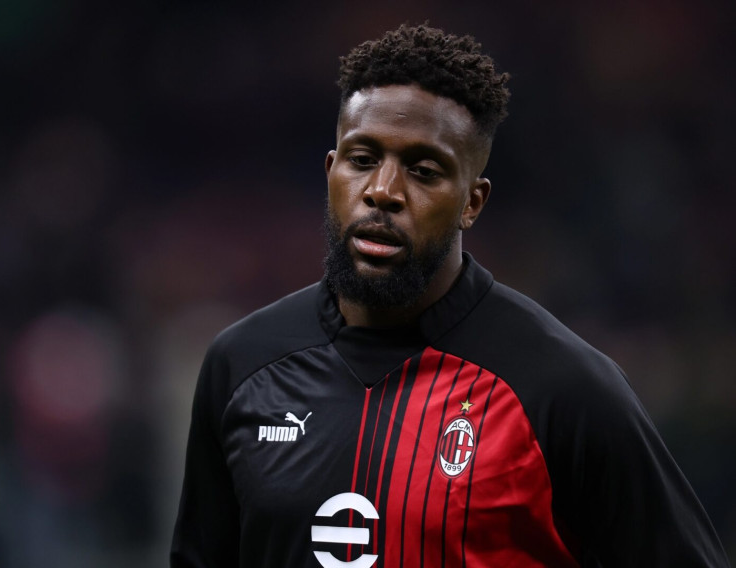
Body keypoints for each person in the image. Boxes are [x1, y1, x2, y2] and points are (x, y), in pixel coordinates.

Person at [170, 24, 730, 568]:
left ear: (472, 202)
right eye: (362, 160)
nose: (383, 191)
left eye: (423, 170)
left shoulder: (565, 389)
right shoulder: (241, 366)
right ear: (331, 171)